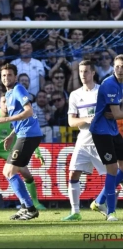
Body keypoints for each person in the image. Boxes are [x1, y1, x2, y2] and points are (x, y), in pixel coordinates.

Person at [0, 63, 43, 220]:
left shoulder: (18, 89)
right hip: (23, 134)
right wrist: (12, 135)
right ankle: (24, 206)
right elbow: (21, 115)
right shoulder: (7, 94)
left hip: (29, 134)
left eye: (9, 75)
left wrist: (5, 119)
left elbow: (29, 111)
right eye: (4, 75)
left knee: (8, 171)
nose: (6, 78)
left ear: (15, 76)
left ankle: (30, 208)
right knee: (14, 171)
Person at [61, 60, 107, 221]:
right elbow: (71, 122)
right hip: (83, 141)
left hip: (102, 141)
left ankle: (104, 204)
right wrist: (88, 119)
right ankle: (75, 212)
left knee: (116, 176)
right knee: (73, 173)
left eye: (86, 71)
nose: (83, 75)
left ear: (93, 73)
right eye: (81, 71)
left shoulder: (102, 91)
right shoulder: (75, 95)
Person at [0, 92, 46, 210]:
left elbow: (28, 132)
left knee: (26, 174)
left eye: (8, 102)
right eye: (3, 102)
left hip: (9, 149)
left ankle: (34, 202)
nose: (6, 105)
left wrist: (37, 152)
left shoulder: (17, 115)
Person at [89, 54, 123, 221]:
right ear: (113, 67)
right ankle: (111, 212)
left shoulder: (120, 84)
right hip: (101, 132)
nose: (120, 70)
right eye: (117, 66)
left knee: (122, 169)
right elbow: (116, 114)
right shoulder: (110, 84)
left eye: (122, 67)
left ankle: (99, 201)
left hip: (113, 130)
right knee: (113, 170)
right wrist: (118, 113)